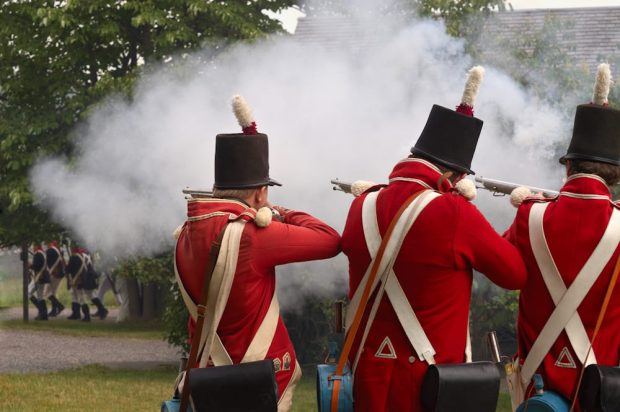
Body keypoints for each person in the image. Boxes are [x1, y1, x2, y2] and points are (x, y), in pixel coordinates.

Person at [340, 66, 528, 411]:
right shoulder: (455, 213)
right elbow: (514, 274)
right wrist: (526, 214)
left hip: (368, 380)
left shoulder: (361, 205)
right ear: (456, 175)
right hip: (431, 387)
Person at [174, 95, 341, 411]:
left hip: (207, 379)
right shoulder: (252, 234)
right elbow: (330, 240)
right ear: (260, 192)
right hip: (259, 381)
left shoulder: (185, 234)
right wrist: (279, 210)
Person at [504, 63, 620, 411]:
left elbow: (504, 270)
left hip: (537, 393)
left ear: (568, 166)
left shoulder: (529, 215)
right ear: (614, 175)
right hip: (604, 392)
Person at [44, 240, 66, 317]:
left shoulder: (50, 251)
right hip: (60, 274)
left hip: (54, 274)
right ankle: (54, 311)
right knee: (53, 293)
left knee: (47, 293)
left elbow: (47, 263)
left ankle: (60, 306)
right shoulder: (58, 251)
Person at [29, 243, 51, 321]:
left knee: (29, 293)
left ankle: (42, 313)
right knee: (40, 295)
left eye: (33, 246)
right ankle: (43, 313)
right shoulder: (41, 253)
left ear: (36, 246)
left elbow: (37, 266)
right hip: (41, 276)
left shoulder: (38, 254)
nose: (33, 248)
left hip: (39, 277)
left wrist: (30, 265)